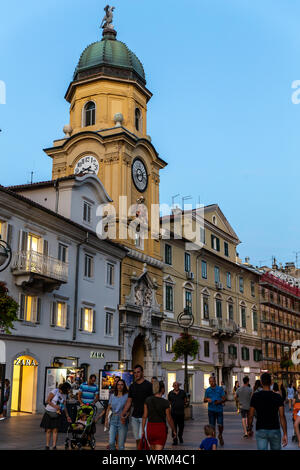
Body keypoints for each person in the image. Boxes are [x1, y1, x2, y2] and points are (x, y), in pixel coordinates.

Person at [248, 372, 287, 450]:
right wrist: (285, 433)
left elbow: (251, 415)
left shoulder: (255, 396)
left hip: (261, 429)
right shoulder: (277, 397)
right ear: (271, 382)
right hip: (275, 429)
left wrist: (249, 428)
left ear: (261, 383)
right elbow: (282, 416)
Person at [121, 364, 153, 449]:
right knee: (137, 438)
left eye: (138, 372)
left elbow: (152, 402)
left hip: (145, 417)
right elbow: (129, 401)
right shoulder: (132, 386)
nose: (136, 374)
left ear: (142, 372)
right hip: (135, 416)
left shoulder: (149, 385)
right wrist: (123, 412)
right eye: (134, 373)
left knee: (142, 437)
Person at [142, 380, 176, 450]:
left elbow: (144, 416)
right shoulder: (165, 402)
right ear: (162, 389)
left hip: (150, 428)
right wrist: (174, 430)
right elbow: (169, 418)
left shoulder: (147, 400)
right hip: (160, 428)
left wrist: (143, 429)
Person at [40, 382, 72, 450]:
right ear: (64, 388)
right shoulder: (55, 391)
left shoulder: (65, 395)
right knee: (48, 430)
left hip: (57, 414)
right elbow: (47, 401)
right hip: (49, 412)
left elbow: (64, 406)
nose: (69, 391)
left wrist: (67, 416)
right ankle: (47, 445)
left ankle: (54, 445)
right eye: (68, 389)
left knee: (55, 430)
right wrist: (55, 406)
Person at [105, 379, 129, 450]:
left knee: (121, 445)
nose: (120, 386)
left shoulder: (127, 396)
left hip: (122, 420)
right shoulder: (112, 396)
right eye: (118, 384)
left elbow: (129, 410)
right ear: (116, 386)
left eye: (122, 385)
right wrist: (106, 420)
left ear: (124, 386)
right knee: (111, 442)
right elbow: (108, 408)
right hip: (113, 419)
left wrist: (125, 417)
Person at [204, 376, 226, 446]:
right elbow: (204, 399)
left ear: (215, 381)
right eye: (210, 381)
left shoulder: (220, 389)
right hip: (211, 410)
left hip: (219, 410)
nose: (211, 383)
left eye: (212, 381)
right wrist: (207, 400)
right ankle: (214, 441)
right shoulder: (207, 390)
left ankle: (220, 435)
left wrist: (219, 402)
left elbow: (224, 398)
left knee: (220, 425)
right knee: (212, 427)